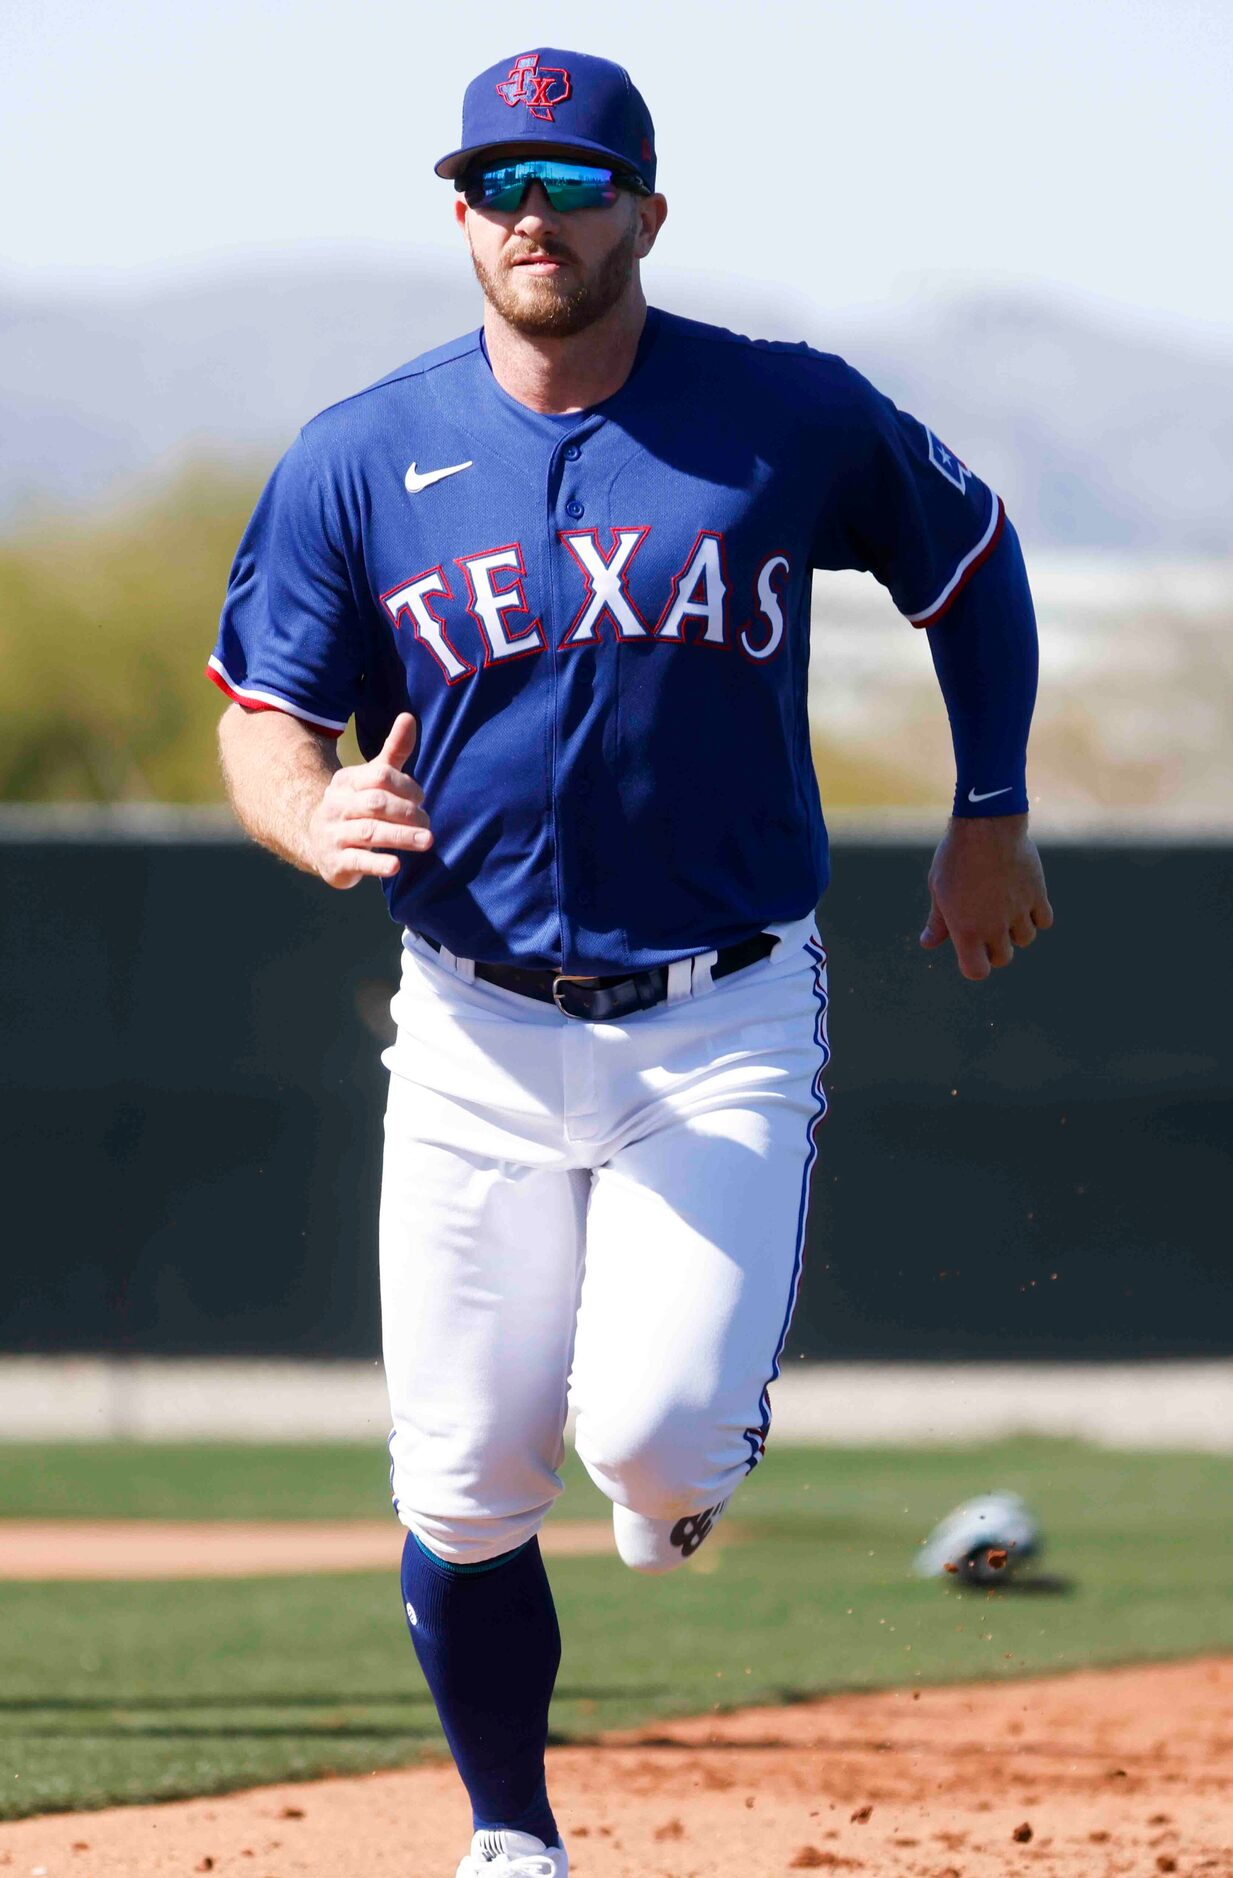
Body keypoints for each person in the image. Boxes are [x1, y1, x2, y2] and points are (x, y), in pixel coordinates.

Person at [208, 45, 1052, 1878]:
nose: (532, 213)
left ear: (644, 215)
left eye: (570, 184)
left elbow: (968, 558)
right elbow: (263, 707)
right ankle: (513, 1834)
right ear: (457, 214)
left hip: (718, 1009)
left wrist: (988, 802)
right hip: (472, 1021)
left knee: (655, 1447)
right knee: (459, 1481)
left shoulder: (782, 416)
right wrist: (304, 810)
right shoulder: (363, 452)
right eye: (497, 183)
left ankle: (672, 1486)